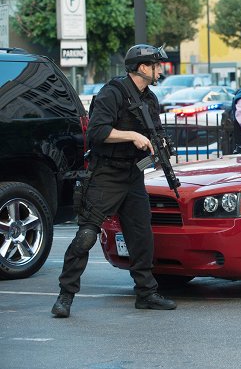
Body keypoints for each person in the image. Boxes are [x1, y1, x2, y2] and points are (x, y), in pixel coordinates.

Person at [51, 44, 177, 318]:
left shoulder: (150, 99)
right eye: (156, 65)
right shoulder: (113, 93)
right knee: (86, 235)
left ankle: (146, 293)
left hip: (133, 175)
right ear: (143, 67)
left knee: (142, 236)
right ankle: (65, 296)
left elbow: (154, 137)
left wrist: (158, 153)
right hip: (106, 174)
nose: (160, 70)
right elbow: (97, 132)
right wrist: (131, 135)